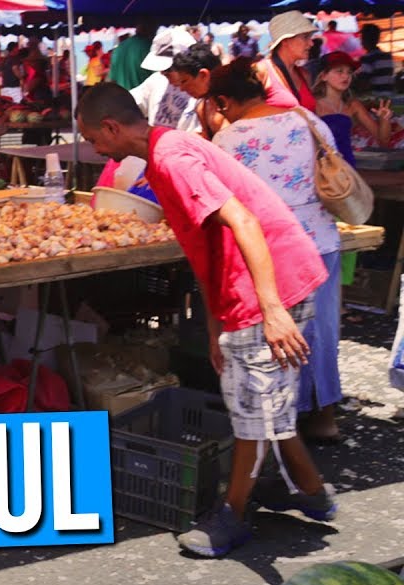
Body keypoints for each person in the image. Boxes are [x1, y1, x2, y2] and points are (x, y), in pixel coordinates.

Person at [77, 82, 335, 557]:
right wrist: (217, 326)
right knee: (261, 397)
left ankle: (231, 516)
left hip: (267, 281)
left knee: (254, 408)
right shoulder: (164, 153)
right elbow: (206, 249)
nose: (94, 149)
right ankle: (313, 493)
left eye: (93, 138)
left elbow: (244, 222)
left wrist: (272, 310)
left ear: (111, 127)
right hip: (260, 280)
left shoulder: (173, 158)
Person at [209, 59, 346, 446]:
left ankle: (284, 419)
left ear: (224, 100)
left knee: (274, 335)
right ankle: (324, 415)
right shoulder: (307, 119)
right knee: (320, 331)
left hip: (271, 249)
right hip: (321, 240)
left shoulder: (229, 140)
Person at [315, 51, 393, 155]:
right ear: (324, 76)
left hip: (348, 166)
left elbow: (383, 142)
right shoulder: (313, 104)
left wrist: (384, 120)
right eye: (339, 71)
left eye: (349, 72)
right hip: (323, 167)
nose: (346, 76)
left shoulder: (353, 105)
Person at [131, 28, 200, 133]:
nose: (163, 72)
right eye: (161, 69)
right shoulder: (157, 80)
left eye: (168, 69)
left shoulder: (200, 91)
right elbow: (129, 101)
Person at [256, 11, 318, 111]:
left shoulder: (304, 75)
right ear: (285, 41)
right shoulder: (262, 72)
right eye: (305, 37)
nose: (311, 43)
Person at [167, 43, 226, 140]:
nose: (182, 88)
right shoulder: (202, 108)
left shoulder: (236, 99)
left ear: (203, 75)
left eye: (185, 81)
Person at [109, 21, 157, 90]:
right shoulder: (149, 47)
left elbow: (113, 79)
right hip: (143, 97)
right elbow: (159, 78)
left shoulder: (118, 48)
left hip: (122, 96)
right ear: (151, 30)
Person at [358, 24, 394, 96]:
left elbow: (364, 82)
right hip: (389, 96)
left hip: (375, 98)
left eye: (362, 38)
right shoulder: (387, 56)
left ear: (365, 40)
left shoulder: (367, 58)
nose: (361, 41)